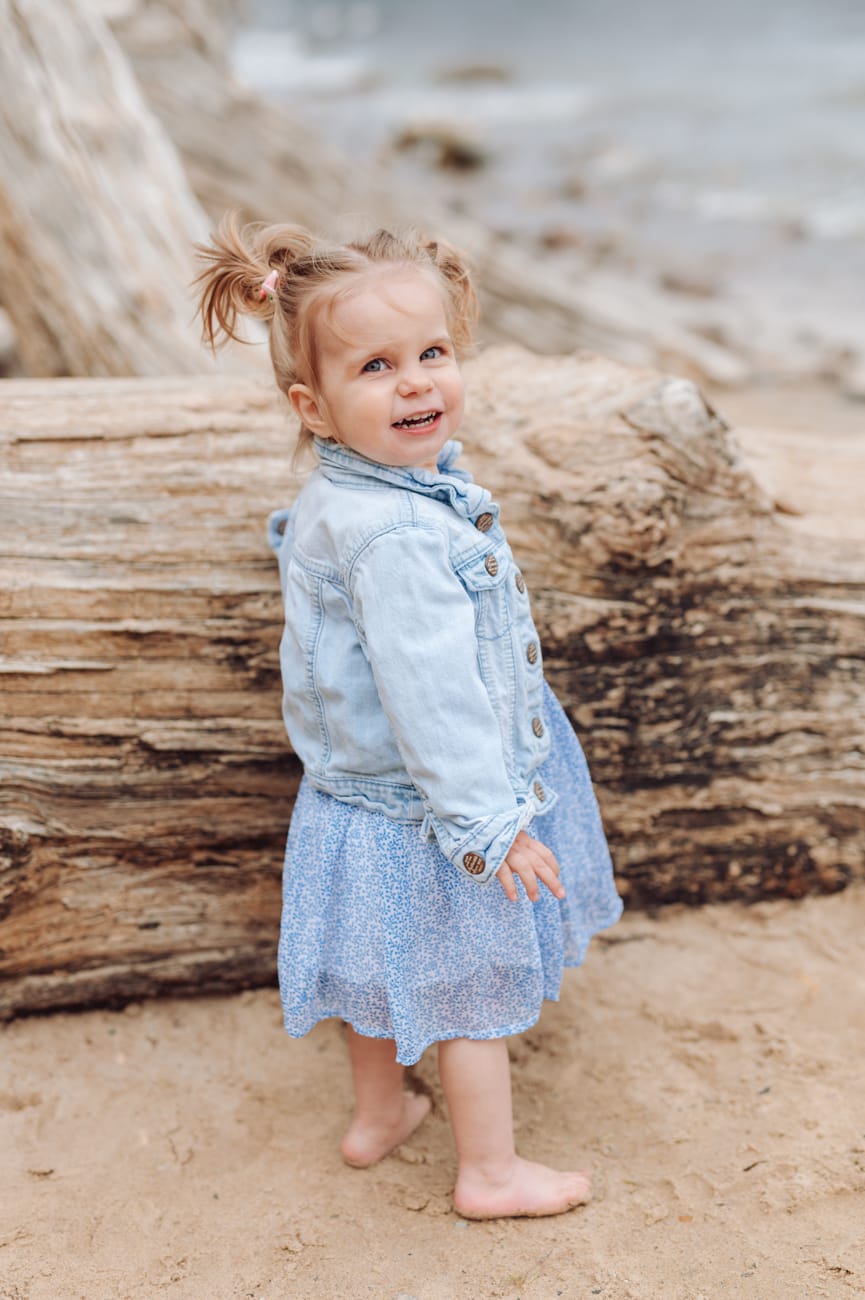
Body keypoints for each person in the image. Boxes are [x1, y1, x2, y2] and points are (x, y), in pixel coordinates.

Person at [194, 215, 623, 1220]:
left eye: (431, 353)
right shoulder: (393, 531)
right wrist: (491, 824)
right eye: (376, 366)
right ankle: (490, 1171)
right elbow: (432, 703)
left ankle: (378, 1116)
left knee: (378, 971)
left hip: (354, 799)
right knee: (468, 984)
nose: (417, 382)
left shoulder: (344, 498)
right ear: (314, 404)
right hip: (437, 802)